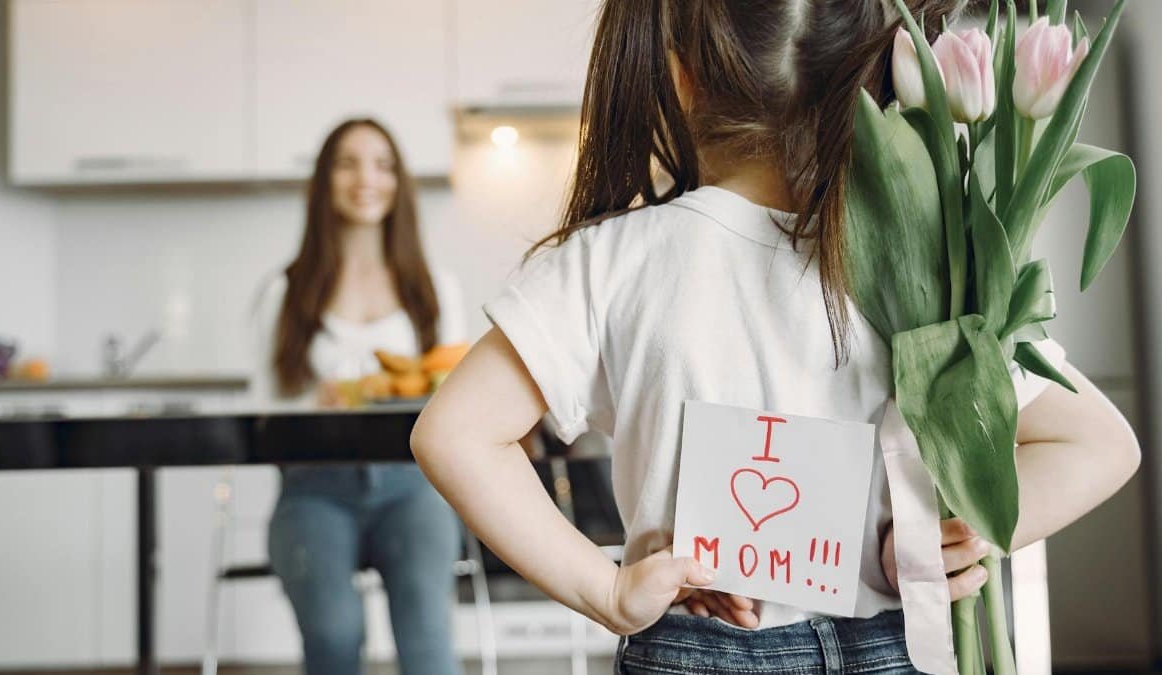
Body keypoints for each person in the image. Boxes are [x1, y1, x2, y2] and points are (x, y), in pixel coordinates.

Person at [408, 1, 1141, 673]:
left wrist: (607, 592)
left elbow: (455, 436)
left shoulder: (609, 260)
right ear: (873, 79)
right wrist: (956, 534)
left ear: (681, 79)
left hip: (701, 644)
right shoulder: (921, 263)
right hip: (894, 643)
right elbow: (1100, 444)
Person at [253, 118, 464, 675]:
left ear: (399, 181)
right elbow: (261, 413)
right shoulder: (284, 291)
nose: (366, 178)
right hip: (314, 488)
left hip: (413, 486)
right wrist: (310, 407)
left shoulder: (435, 287)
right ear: (324, 179)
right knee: (333, 632)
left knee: (427, 636)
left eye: (382, 164)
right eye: (347, 163)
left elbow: (455, 400)